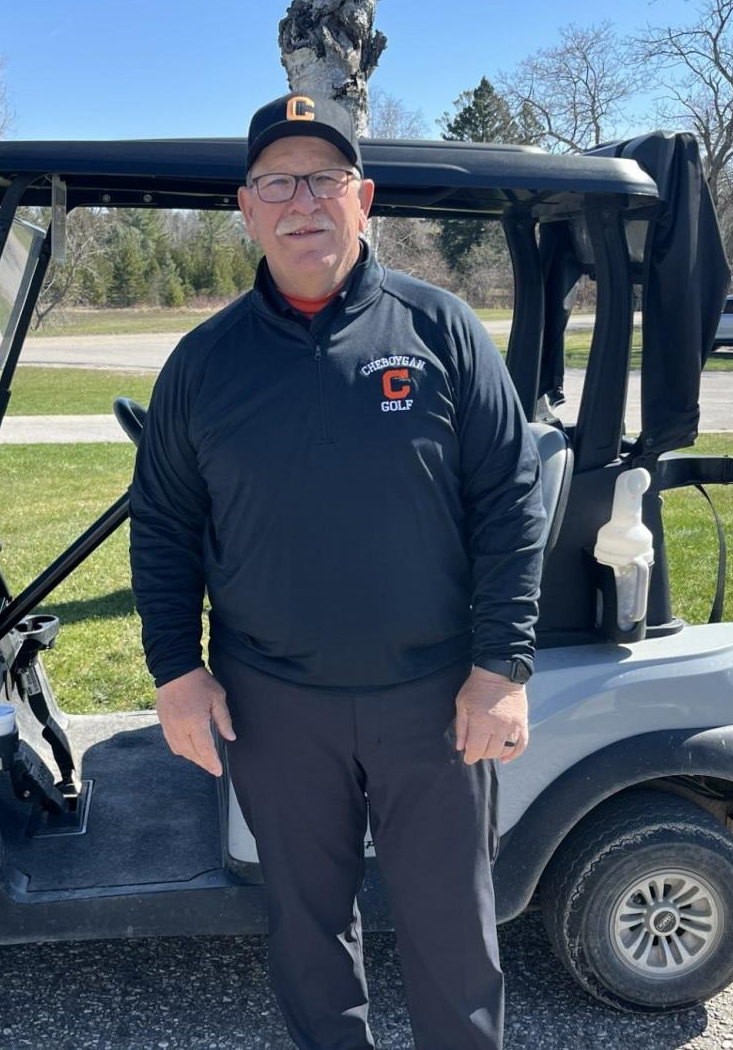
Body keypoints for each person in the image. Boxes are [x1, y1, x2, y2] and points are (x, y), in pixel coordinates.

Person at [129, 92, 546, 1050]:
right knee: (307, 926)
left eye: (322, 179)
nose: (301, 201)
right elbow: (162, 525)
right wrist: (175, 673)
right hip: (274, 703)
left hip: (433, 698)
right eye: (278, 182)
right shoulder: (202, 362)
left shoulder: (438, 332)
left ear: (364, 198)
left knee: (451, 927)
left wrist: (502, 668)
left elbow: (510, 505)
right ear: (246, 206)